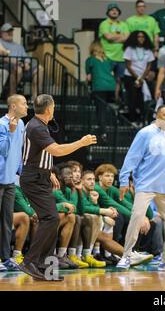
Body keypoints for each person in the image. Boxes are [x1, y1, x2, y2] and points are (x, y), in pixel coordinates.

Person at [18, 94, 96, 281]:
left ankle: (44, 265)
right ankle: (30, 261)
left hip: (41, 176)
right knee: (51, 218)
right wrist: (81, 143)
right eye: (53, 108)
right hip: (33, 178)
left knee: (52, 219)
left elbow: (38, 153)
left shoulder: (38, 125)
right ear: (49, 109)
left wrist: (49, 172)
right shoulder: (36, 127)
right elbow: (57, 150)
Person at [117, 105, 165, 271]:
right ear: (157, 116)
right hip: (146, 185)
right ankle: (126, 256)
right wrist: (124, 180)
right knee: (137, 216)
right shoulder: (145, 133)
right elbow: (131, 158)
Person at [0, 94, 27, 271]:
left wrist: (21, 171)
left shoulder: (22, 124)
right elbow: (3, 150)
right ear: (13, 106)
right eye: (24, 104)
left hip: (10, 181)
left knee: (6, 221)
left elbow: (18, 150)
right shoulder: (2, 124)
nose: (27, 106)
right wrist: (10, 131)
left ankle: (5, 258)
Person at [0, 24, 43, 100]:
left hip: (23, 66)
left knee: (40, 69)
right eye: (7, 31)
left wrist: (26, 63)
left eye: (11, 31)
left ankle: (35, 98)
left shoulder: (19, 46)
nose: (10, 33)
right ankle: (11, 96)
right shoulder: (1, 43)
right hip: (9, 66)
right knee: (18, 69)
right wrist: (18, 63)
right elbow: (3, 57)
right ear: (1, 33)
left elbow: (26, 57)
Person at [98, 3, 129, 101]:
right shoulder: (104, 23)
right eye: (112, 10)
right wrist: (121, 37)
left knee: (119, 80)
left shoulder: (124, 24)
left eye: (116, 10)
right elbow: (108, 37)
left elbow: (127, 37)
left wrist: (113, 38)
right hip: (107, 56)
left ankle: (115, 98)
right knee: (107, 78)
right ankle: (106, 99)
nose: (114, 12)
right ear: (108, 12)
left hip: (121, 57)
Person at [123, 31, 155, 124]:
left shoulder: (148, 50)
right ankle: (132, 119)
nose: (141, 39)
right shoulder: (130, 49)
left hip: (143, 77)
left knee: (142, 99)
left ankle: (142, 119)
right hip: (131, 76)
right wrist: (137, 78)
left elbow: (149, 65)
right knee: (132, 98)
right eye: (139, 37)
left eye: (143, 37)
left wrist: (142, 78)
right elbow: (128, 65)